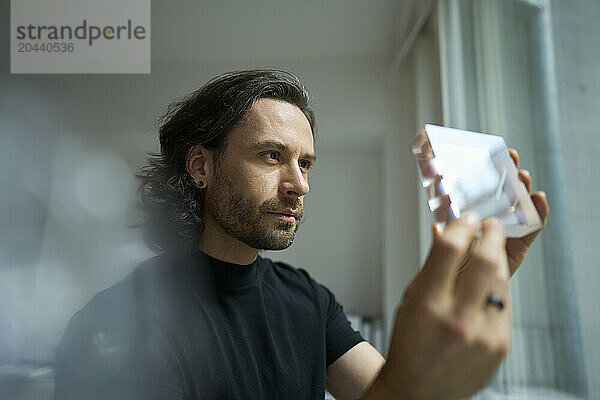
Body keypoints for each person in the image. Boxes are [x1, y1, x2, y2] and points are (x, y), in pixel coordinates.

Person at [54, 69, 549, 400]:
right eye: (272, 156)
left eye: (306, 163)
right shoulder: (113, 326)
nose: (300, 184)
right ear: (201, 165)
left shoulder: (311, 302)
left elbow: (388, 393)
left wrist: (465, 291)